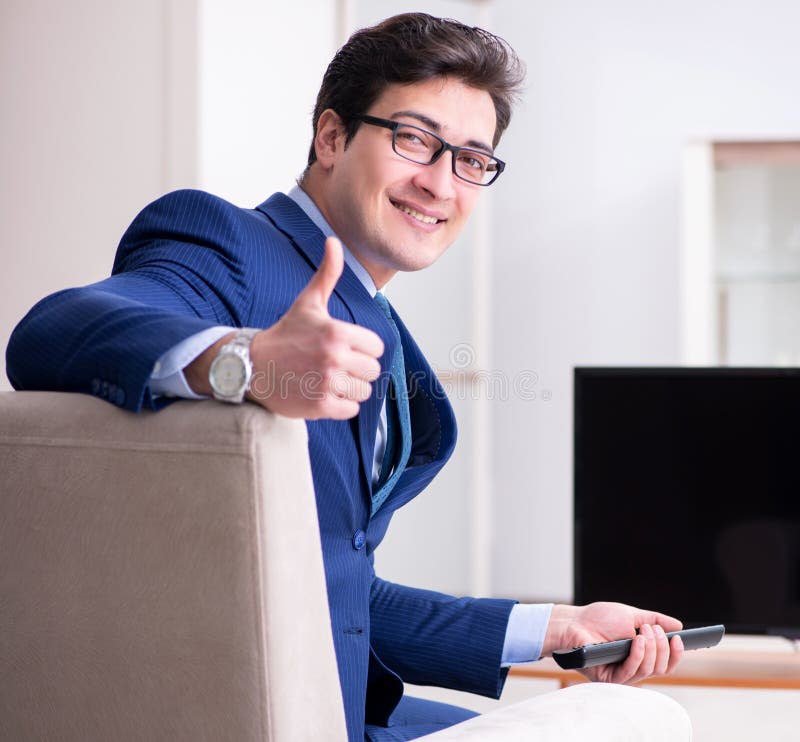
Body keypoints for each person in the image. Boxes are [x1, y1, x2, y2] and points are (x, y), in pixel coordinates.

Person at [6, 13, 684, 742]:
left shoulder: (375, 321)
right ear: (331, 137)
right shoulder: (229, 244)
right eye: (415, 139)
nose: (440, 184)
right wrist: (247, 363)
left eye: (471, 159)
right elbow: (56, 329)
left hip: (344, 704)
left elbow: (339, 593)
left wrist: (558, 627)